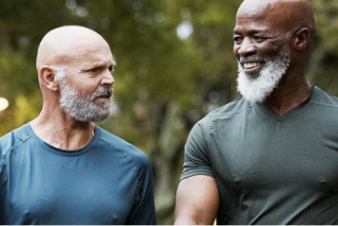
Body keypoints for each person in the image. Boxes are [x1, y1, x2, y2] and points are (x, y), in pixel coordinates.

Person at [175, 0, 338, 225]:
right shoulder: (211, 131)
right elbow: (191, 221)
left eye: (258, 37)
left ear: (300, 39)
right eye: (237, 39)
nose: (244, 49)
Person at [0, 25, 156, 226]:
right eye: (94, 70)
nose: (110, 79)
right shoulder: (5, 159)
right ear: (50, 78)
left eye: (110, 68)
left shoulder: (134, 165)